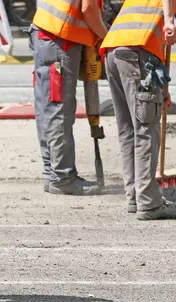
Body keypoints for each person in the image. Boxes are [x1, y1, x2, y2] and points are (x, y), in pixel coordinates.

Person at [100, 0, 176, 220]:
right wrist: (170, 20)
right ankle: (148, 203)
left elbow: (161, 52)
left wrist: (163, 91)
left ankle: (135, 196)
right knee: (145, 129)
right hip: (137, 53)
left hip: (114, 53)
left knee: (128, 130)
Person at [27, 0, 108, 195]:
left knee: (47, 107)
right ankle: (63, 176)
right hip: (60, 39)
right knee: (59, 110)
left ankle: (52, 173)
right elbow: (88, 9)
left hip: (45, 33)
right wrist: (105, 38)